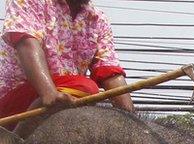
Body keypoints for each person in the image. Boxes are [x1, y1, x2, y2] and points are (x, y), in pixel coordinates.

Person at [0, 0, 133, 135]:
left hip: (66, 101)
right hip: (15, 100)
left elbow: (109, 71)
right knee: (85, 89)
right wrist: (49, 93)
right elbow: (27, 44)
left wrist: (133, 121)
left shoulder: (98, 19)